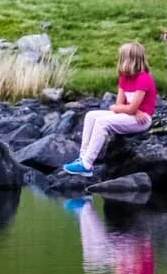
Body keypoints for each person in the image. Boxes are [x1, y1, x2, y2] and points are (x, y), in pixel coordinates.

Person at [63, 42, 157, 175]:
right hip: (133, 115)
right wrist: (132, 110)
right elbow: (118, 106)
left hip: (142, 120)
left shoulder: (144, 79)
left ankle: (87, 164)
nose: (119, 61)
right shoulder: (125, 78)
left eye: (122, 58)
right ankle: (82, 158)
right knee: (90, 115)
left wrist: (129, 109)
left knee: (103, 122)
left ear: (130, 60)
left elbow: (121, 107)